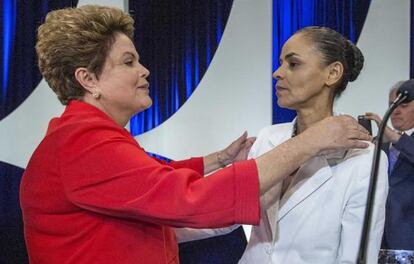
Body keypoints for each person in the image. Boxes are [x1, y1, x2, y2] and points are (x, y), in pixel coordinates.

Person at [19, 6, 371, 264]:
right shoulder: (83, 143)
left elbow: (146, 182)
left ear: (333, 74)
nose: (144, 70)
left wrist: (216, 160)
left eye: (293, 64)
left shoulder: (85, 136)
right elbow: (188, 200)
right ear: (89, 80)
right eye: (128, 62)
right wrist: (310, 141)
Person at [236, 26, 388, 264]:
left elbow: (357, 257)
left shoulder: (363, 157)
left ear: (332, 73)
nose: (277, 73)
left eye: (293, 64)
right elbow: (230, 213)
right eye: (280, 63)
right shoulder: (267, 138)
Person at [365, 80, 414, 250]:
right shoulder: (381, 145)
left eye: (404, 104)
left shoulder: (397, 140)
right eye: (391, 105)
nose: (396, 110)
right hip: (378, 239)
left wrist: (395, 138)